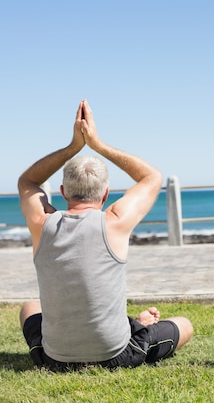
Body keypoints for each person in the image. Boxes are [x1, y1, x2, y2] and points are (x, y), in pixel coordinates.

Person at [18, 99, 193, 371]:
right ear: (106, 194)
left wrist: (72, 147)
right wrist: (98, 144)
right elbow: (151, 177)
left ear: (63, 192)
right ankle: (135, 327)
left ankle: (133, 324)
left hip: (55, 360)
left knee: (29, 308)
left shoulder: (42, 223)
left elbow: (27, 182)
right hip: (115, 356)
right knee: (185, 325)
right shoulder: (115, 221)